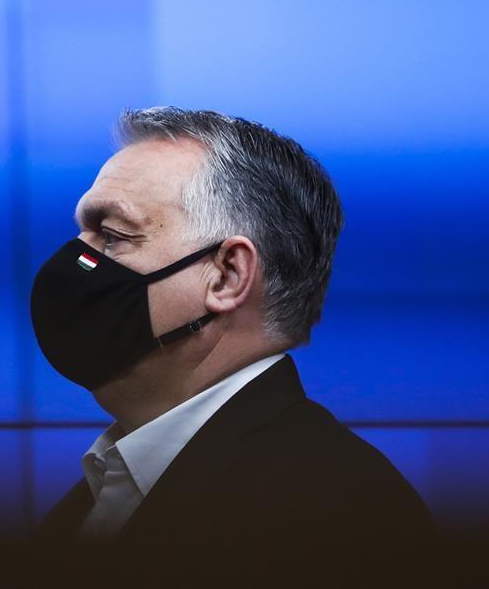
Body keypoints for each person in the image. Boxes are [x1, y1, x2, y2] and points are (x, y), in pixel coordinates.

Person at [28, 107, 435, 587]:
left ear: (227, 276)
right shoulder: (105, 490)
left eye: (113, 236)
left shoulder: (341, 514)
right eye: (82, 232)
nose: (78, 260)